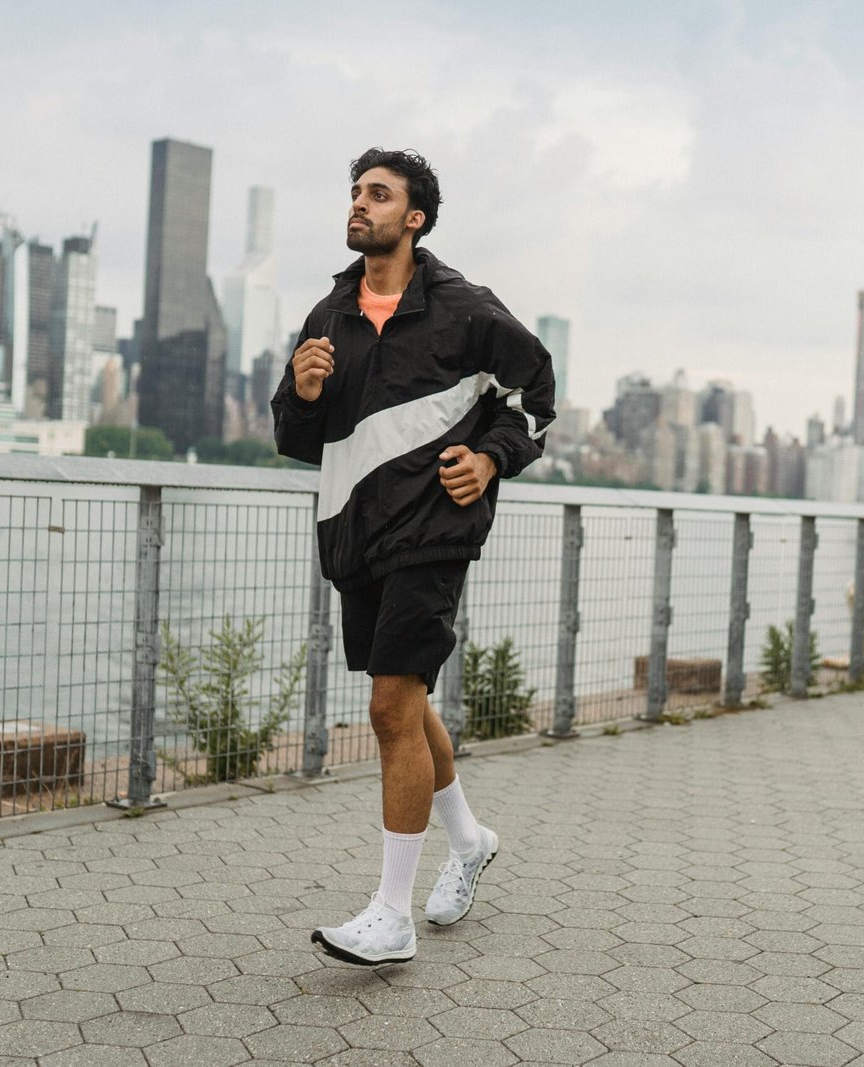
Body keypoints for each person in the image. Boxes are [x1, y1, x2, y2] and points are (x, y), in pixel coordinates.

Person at [272, 148, 555, 965]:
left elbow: (537, 399)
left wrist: (493, 458)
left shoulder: (466, 310)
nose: (360, 204)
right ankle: (469, 839)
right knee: (405, 699)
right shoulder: (329, 315)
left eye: (379, 194)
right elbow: (295, 438)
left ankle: (391, 917)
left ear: (416, 217)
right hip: (355, 532)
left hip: (435, 531)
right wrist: (303, 390)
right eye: (357, 192)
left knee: (391, 707)